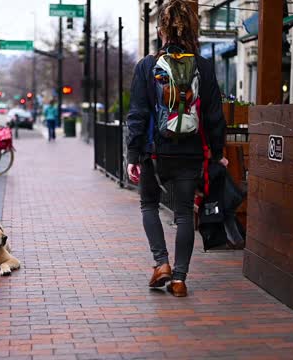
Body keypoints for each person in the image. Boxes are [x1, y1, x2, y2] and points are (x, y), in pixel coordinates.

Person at [126, 0, 227, 297]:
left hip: (154, 151)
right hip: (190, 151)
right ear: (192, 30)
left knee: (149, 205)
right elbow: (214, 116)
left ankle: (162, 264)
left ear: (161, 31)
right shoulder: (204, 67)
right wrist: (218, 153)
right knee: (184, 213)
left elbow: (137, 114)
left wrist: (133, 154)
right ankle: (180, 279)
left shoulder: (146, 66)